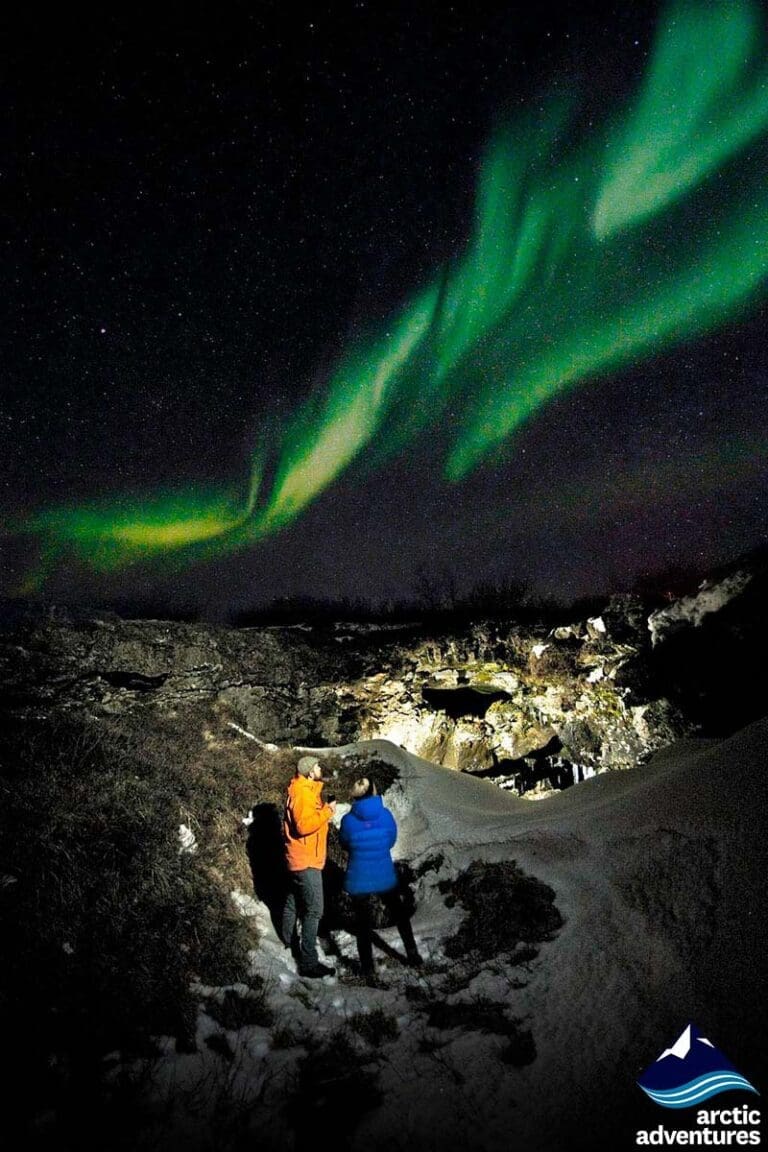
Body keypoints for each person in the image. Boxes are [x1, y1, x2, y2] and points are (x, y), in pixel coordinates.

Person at [339, 777, 422, 977]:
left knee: (362, 925)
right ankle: (412, 954)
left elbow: (344, 843)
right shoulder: (385, 815)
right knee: (400, 915)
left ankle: (368, 969)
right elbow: (391, 841)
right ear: (374, 792)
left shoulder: (348, 820)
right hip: (383, 874)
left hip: (359, 878)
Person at [281, 755, 337, 978]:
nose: (321, 768)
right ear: (310, 771)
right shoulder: (303, 793)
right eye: (318, 766)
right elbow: (303, 826)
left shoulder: (305, 790)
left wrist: (323, 812)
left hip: (299, 857)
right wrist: (328, 811)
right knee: (314, 910)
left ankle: (288, 942)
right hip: (306, 860)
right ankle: (308, 964)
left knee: (293, 901)